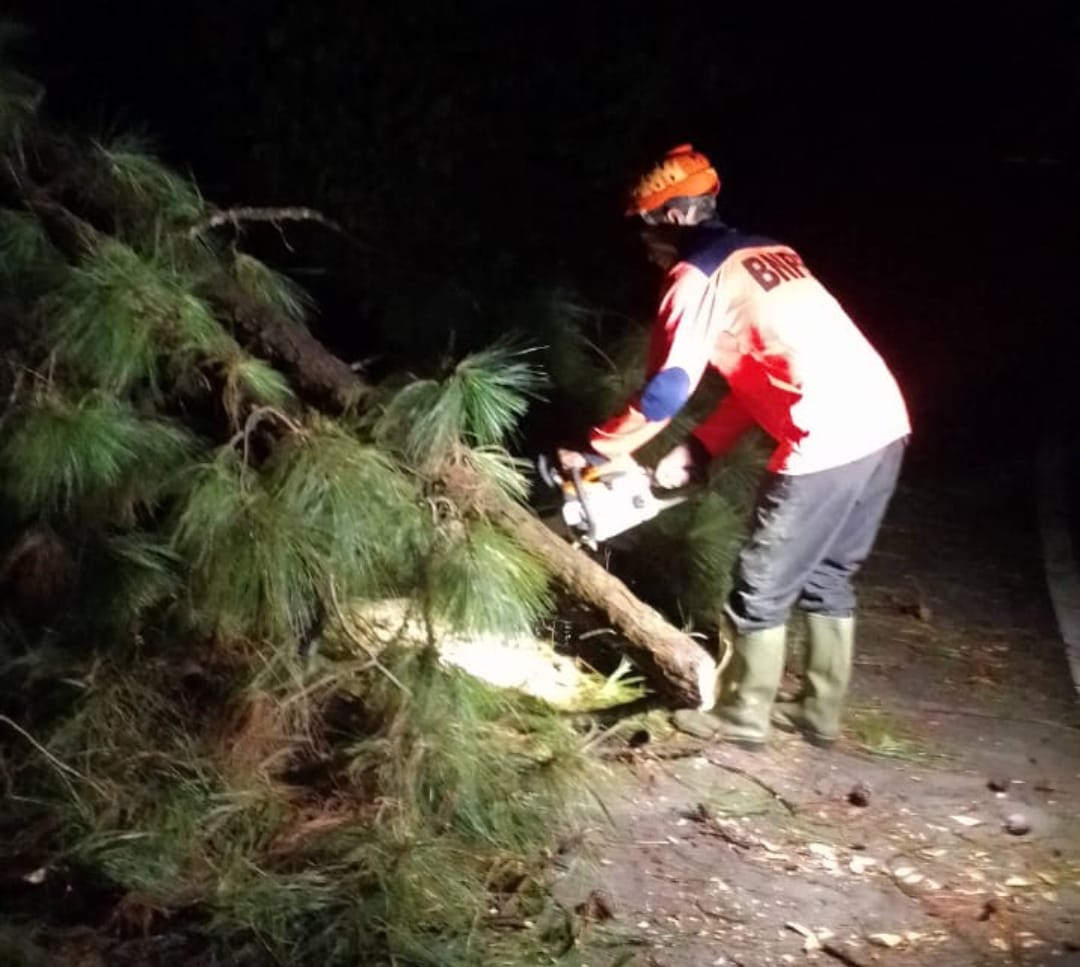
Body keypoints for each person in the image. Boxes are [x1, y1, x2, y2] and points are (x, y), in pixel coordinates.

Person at [559, 144, 910, 749]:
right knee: (828, 576)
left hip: (826, 434)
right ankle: (818, 714)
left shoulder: (695, 278)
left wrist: (599, 452)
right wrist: (698, 450)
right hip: (884, 419)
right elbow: (762, 374)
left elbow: (667, 391)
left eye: (647, 227)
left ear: (672, 217)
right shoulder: (771, 254)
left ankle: (741, 716)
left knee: (759, 582)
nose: (645, 244)